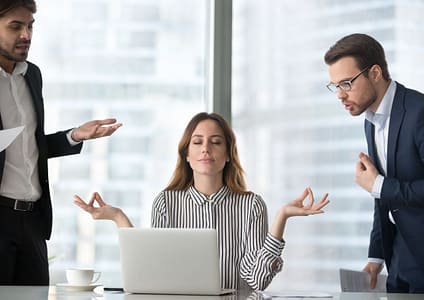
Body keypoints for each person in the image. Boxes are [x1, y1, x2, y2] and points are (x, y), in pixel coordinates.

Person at [74, 112, 329, 291]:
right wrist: (118, 217)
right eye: (197, 142)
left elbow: (257, 280)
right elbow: (155, 270)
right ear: (187, 154)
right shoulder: (166, 202)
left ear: (228, 155)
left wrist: (281, 217)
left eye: (216, 142)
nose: (206, 148)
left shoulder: (251, 205)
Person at [0, 0, 121, 285]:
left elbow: (28, 145)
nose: (26, 35)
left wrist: (74, 136)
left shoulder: (32, 75)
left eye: (30, 26)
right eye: (15, 26)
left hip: (32, 221)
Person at [324, 33, 424, 293]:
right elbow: (382, 197)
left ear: (376, 73)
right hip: (399, 262)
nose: (340, 95)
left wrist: (379, 185)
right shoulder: (372, 120)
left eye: (346, 83)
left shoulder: (419, 111)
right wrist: (376, 257)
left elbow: (381, 188)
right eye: (335, 86)